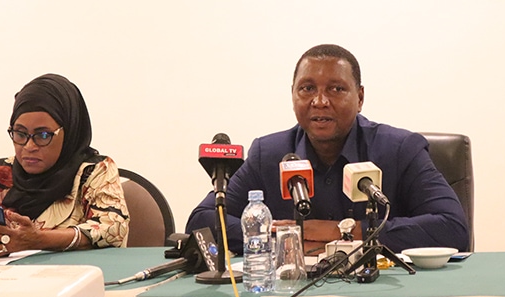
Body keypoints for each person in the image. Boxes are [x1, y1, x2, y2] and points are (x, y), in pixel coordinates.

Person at [186, 44, 468, 255]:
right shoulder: (268, 153)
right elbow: (202, 221)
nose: (320, 101)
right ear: (293, 95)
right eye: (307, 88)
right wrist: (283, 237)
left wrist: (343, 232)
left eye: (336, 89)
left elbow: (453, 228)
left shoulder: (399, 150)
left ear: (359, 98)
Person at [0, 73, 129, 257]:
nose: (29, 146)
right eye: (20, 134)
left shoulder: (93, 172)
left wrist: (38, 240)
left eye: (43, 135)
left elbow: (112, 229)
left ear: (69, 133)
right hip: (0, 287)